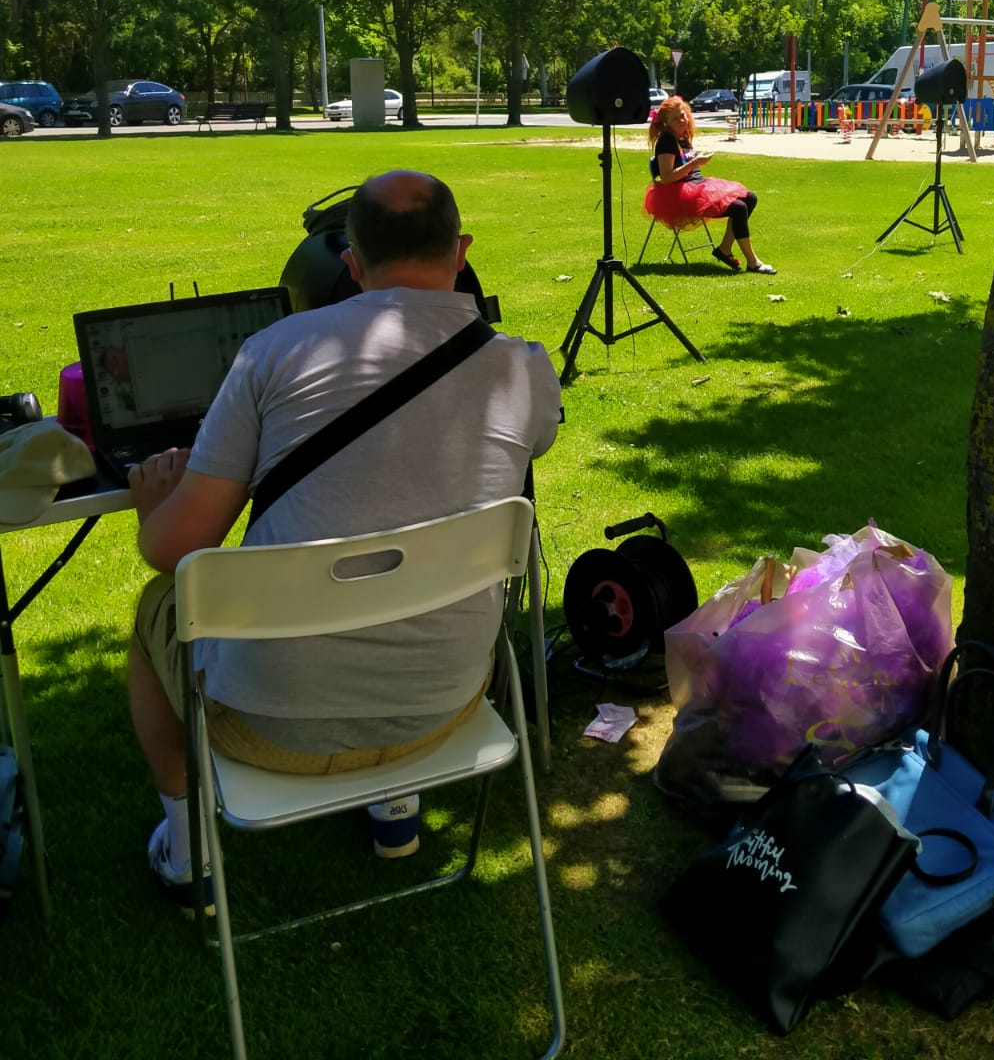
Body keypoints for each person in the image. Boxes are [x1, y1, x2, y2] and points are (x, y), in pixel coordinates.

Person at [127, 170, 561, 910]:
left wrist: (151, 508)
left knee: (157, 607)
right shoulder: (524, 368)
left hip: (265, 724)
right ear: (462, 251)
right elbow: (527, 445)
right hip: (447, 707)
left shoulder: (271, 352)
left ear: (351, 263)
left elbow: (176, 549)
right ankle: (398, 809)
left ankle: (187, 843)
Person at [643, 96, 775, 274]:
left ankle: (724, 249)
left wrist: (696, 162)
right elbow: (666, 177)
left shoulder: (682, 137)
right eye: (676, 118)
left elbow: (690, 167)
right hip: (680, 194)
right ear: (666, 123)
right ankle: (753, 262)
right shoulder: (667, 141)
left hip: (699, 186)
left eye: (683, 116)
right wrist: (695, 162)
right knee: (738, 208)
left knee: (749, 198)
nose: (682, 120)